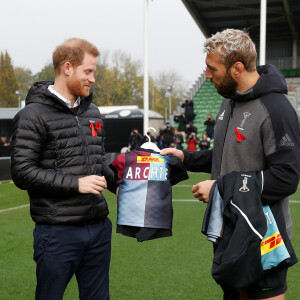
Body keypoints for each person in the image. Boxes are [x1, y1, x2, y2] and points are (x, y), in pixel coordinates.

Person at [161, 29, 300, 300]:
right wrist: (185, 157)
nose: (208, 75)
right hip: (229, 228)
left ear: (237, 68)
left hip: (264, 234)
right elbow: (227, 155)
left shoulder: (278, 108)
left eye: (213, 69)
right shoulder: (228, 101)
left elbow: (286, 177)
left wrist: (221, 189)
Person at [10, 38, 118, 300]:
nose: (93, 79)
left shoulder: (92, 110)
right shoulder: (33, 115)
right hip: (57, 232)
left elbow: (99, 159)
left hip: (98, 228)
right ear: (67, 68)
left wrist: (123, 184)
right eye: (88, 72)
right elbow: (22, 171)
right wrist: (76, 184)